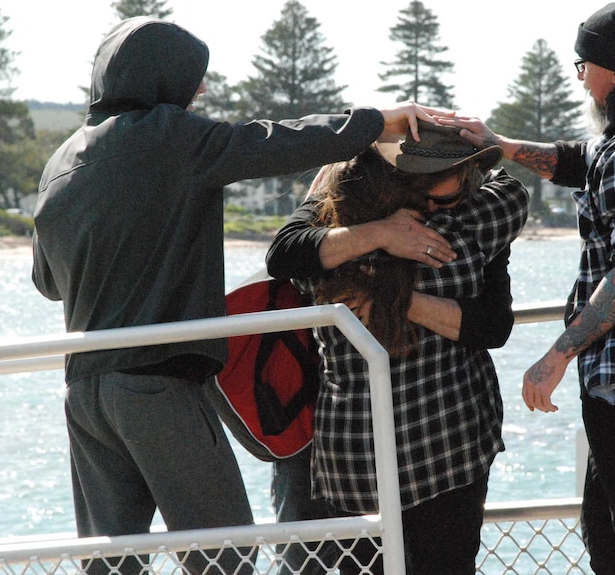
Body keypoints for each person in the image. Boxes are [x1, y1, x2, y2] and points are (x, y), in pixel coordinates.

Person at [30, 16, 444, 575]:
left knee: (110, 563)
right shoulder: (170, 137)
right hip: (159, 383)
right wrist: (375, 123)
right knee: (224, 556)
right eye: (191, 80)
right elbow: (274, 142)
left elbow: (48, 282)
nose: (198, 92)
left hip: (84, 392)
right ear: (162, 80)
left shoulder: (60, 163)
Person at [440, 2, 615, 574]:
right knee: (606, 526)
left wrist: (557, 354)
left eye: (582, 64)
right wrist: (497, 144)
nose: (581, 76)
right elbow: (581, 161)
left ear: (611, 70)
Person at [265, 121, 530, 574]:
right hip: (451, 444)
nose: (438, 205)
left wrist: (376, 239)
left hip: (354, 461)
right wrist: (484, 144)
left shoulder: (325, 251)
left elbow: (283, 252)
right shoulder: (476, 223)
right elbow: (512, 190)